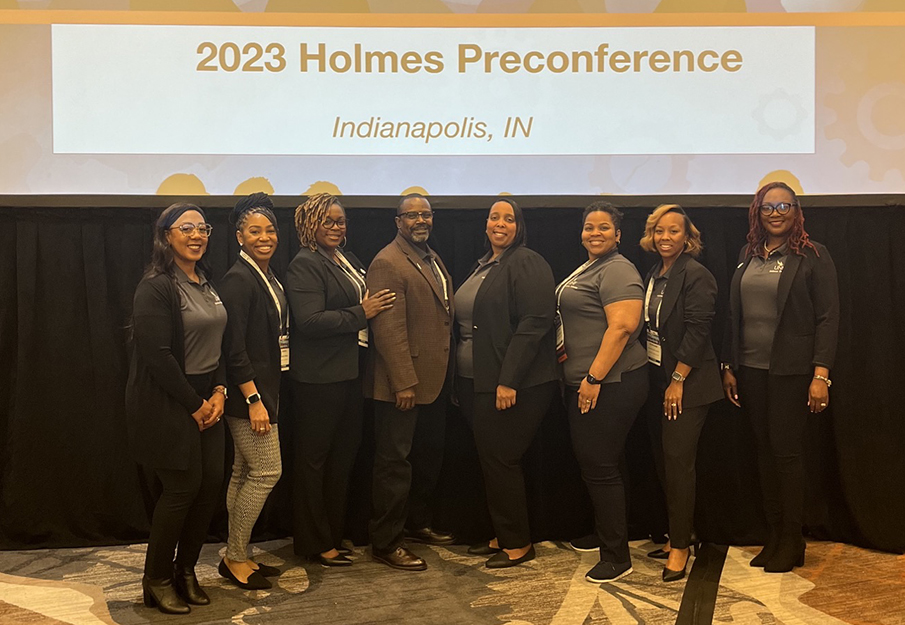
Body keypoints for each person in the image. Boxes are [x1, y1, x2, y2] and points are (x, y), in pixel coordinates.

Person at [722, 181, 839, 573]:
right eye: (768, 207)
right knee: (763, 453)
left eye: (784, 206)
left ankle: (793, 541)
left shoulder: (812, 255)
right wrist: (729, 366)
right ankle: (773, 536)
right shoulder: (747, 254)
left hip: (792, 372)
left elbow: (828, 317)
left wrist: (821, 373)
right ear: (758, 211)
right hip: (751, 370)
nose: (776, 213)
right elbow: (733, 315)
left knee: (786, 454)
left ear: (796, 211)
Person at [125, 203, 227, 615]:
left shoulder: (206, 281)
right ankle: (157, 579)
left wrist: (219, 390)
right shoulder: (156, 286)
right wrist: (195, 404)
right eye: (186, 228)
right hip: (167, 398)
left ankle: (186, 571)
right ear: (166, 236)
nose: (197, 235)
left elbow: (220, 338)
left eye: (203, 228)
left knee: (208, 487)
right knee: (182, 488)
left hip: (207, 395)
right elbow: (158, 357)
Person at [286, 193, 396, 567]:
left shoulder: (345, 260)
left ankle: (333, 534)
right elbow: (310, 322)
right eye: (328, 221)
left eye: (341, 221)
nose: (336, 228)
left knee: (342, 459)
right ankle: (314, 542)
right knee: (315, 462)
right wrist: (360, 312)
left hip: (349, 374)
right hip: (318, 380)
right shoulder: (304, 264)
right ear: (309, 225)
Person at [455, 199, 557, 569]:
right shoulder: (484, 265)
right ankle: (502, 534)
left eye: (509, 219)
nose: (501, 224)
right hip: (475, 382)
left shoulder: (526, 262)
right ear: (485, 224)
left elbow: (535, 324)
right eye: (495, 217)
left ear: (520, 226)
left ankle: (517, 544)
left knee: (501, 459)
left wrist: (508, 380)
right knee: (491, 462)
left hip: (515, 384)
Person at [557, 201, 649, 584]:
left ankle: (616, 557)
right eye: (589, 227)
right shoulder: (592, 267)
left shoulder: (619, 269)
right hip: (589, 381)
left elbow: (623, 327)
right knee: (606, 464)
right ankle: (607, 534)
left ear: (618, 235)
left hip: (611, 383)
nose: (594, 233)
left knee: (600, 466)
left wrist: (592, 381)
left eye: (603, 228)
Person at [365, 193, 456, 571]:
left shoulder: (429, 257)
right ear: (397, 221)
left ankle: (416, 524)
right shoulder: (387, 262)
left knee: (425, 459)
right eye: (412, 215)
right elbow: (388, 330)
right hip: (402, 387)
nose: (420, 220)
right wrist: (403, 382)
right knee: (394, 465)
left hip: (431, 383)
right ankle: (386, 542)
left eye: (426, 214)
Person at [638, 204, 723, 582]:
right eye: (659, 231)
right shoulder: (655, 273)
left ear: (687, 237)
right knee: (664, 464)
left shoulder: (696, 274)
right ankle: (679, 532)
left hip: (688, 384)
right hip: (660, 379)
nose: (665, 237)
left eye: (673, 231)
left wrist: (678, 379)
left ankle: (681, 549)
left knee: (678, 465)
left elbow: (698, 330)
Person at [217, 193, 285, 590]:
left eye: (270, 229)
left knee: (243, 472)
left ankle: (237, 551)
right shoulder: (238, 280)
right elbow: (234, 348)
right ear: (240, 236)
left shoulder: (265, 275)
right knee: (266, 471)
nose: (265, 237)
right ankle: (235, 556)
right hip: (250, 398)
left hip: (263, 390)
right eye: (254, 231)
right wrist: (254, 399)